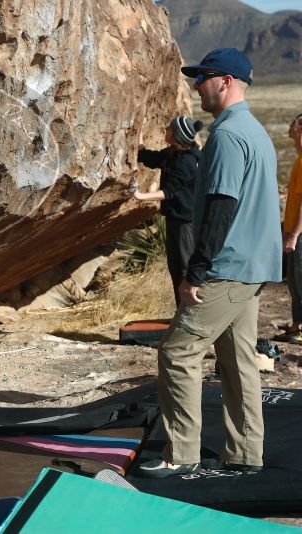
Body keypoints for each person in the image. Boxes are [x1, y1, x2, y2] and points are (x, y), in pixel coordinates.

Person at [135, 48, 282, 478]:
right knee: (238, 363)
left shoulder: (227, 136)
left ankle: (181, 454)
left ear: (226, 82)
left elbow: (222, 204)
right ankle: (245, 453)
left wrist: (196, 271)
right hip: (254, 267)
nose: (195, 85)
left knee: (177, 353)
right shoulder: (254, 131)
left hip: (227, 267)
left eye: (202, 78)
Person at [134, 116, 203, 307]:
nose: (166, 130)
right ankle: (181, 312)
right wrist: (139, 128)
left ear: (177, 136)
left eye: (169, 129)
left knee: (184, 268)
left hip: (186, 224)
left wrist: (141, 196)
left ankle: (190, 315)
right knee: (175, 268)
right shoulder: (173, 153)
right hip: (175, 219)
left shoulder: (187, 162)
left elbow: (169, 191)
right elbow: (148, 157)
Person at [278, 113, 302, 343]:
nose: (289, 126)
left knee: (300, 280)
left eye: (293, 122)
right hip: (295, 230)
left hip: (300, 233)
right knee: (294, 281)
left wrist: (293, 233)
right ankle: (297, 325)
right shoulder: (299, 158)